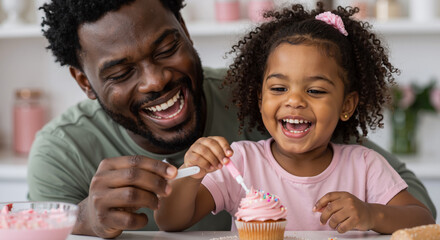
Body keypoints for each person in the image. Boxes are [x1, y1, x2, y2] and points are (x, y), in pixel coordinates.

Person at [27, 0, 435, 238]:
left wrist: (371, 214)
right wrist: (79, 219)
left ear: (185, 29)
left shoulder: (352, 158)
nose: (155, 81)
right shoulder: (62, 151)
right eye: (120, 73)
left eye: (166, 48)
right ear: (84, 82)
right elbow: (174, 218)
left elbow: (419, 212)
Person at [154, 4, 435, 234]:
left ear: (346, 105)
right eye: (278, 88)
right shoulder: (239, 162)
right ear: (261, 99)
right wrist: (192, 173)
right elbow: (171, 221)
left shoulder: (364, 166)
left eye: (314, 90)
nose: (294, 101)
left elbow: (423, 220)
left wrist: (371, 214)